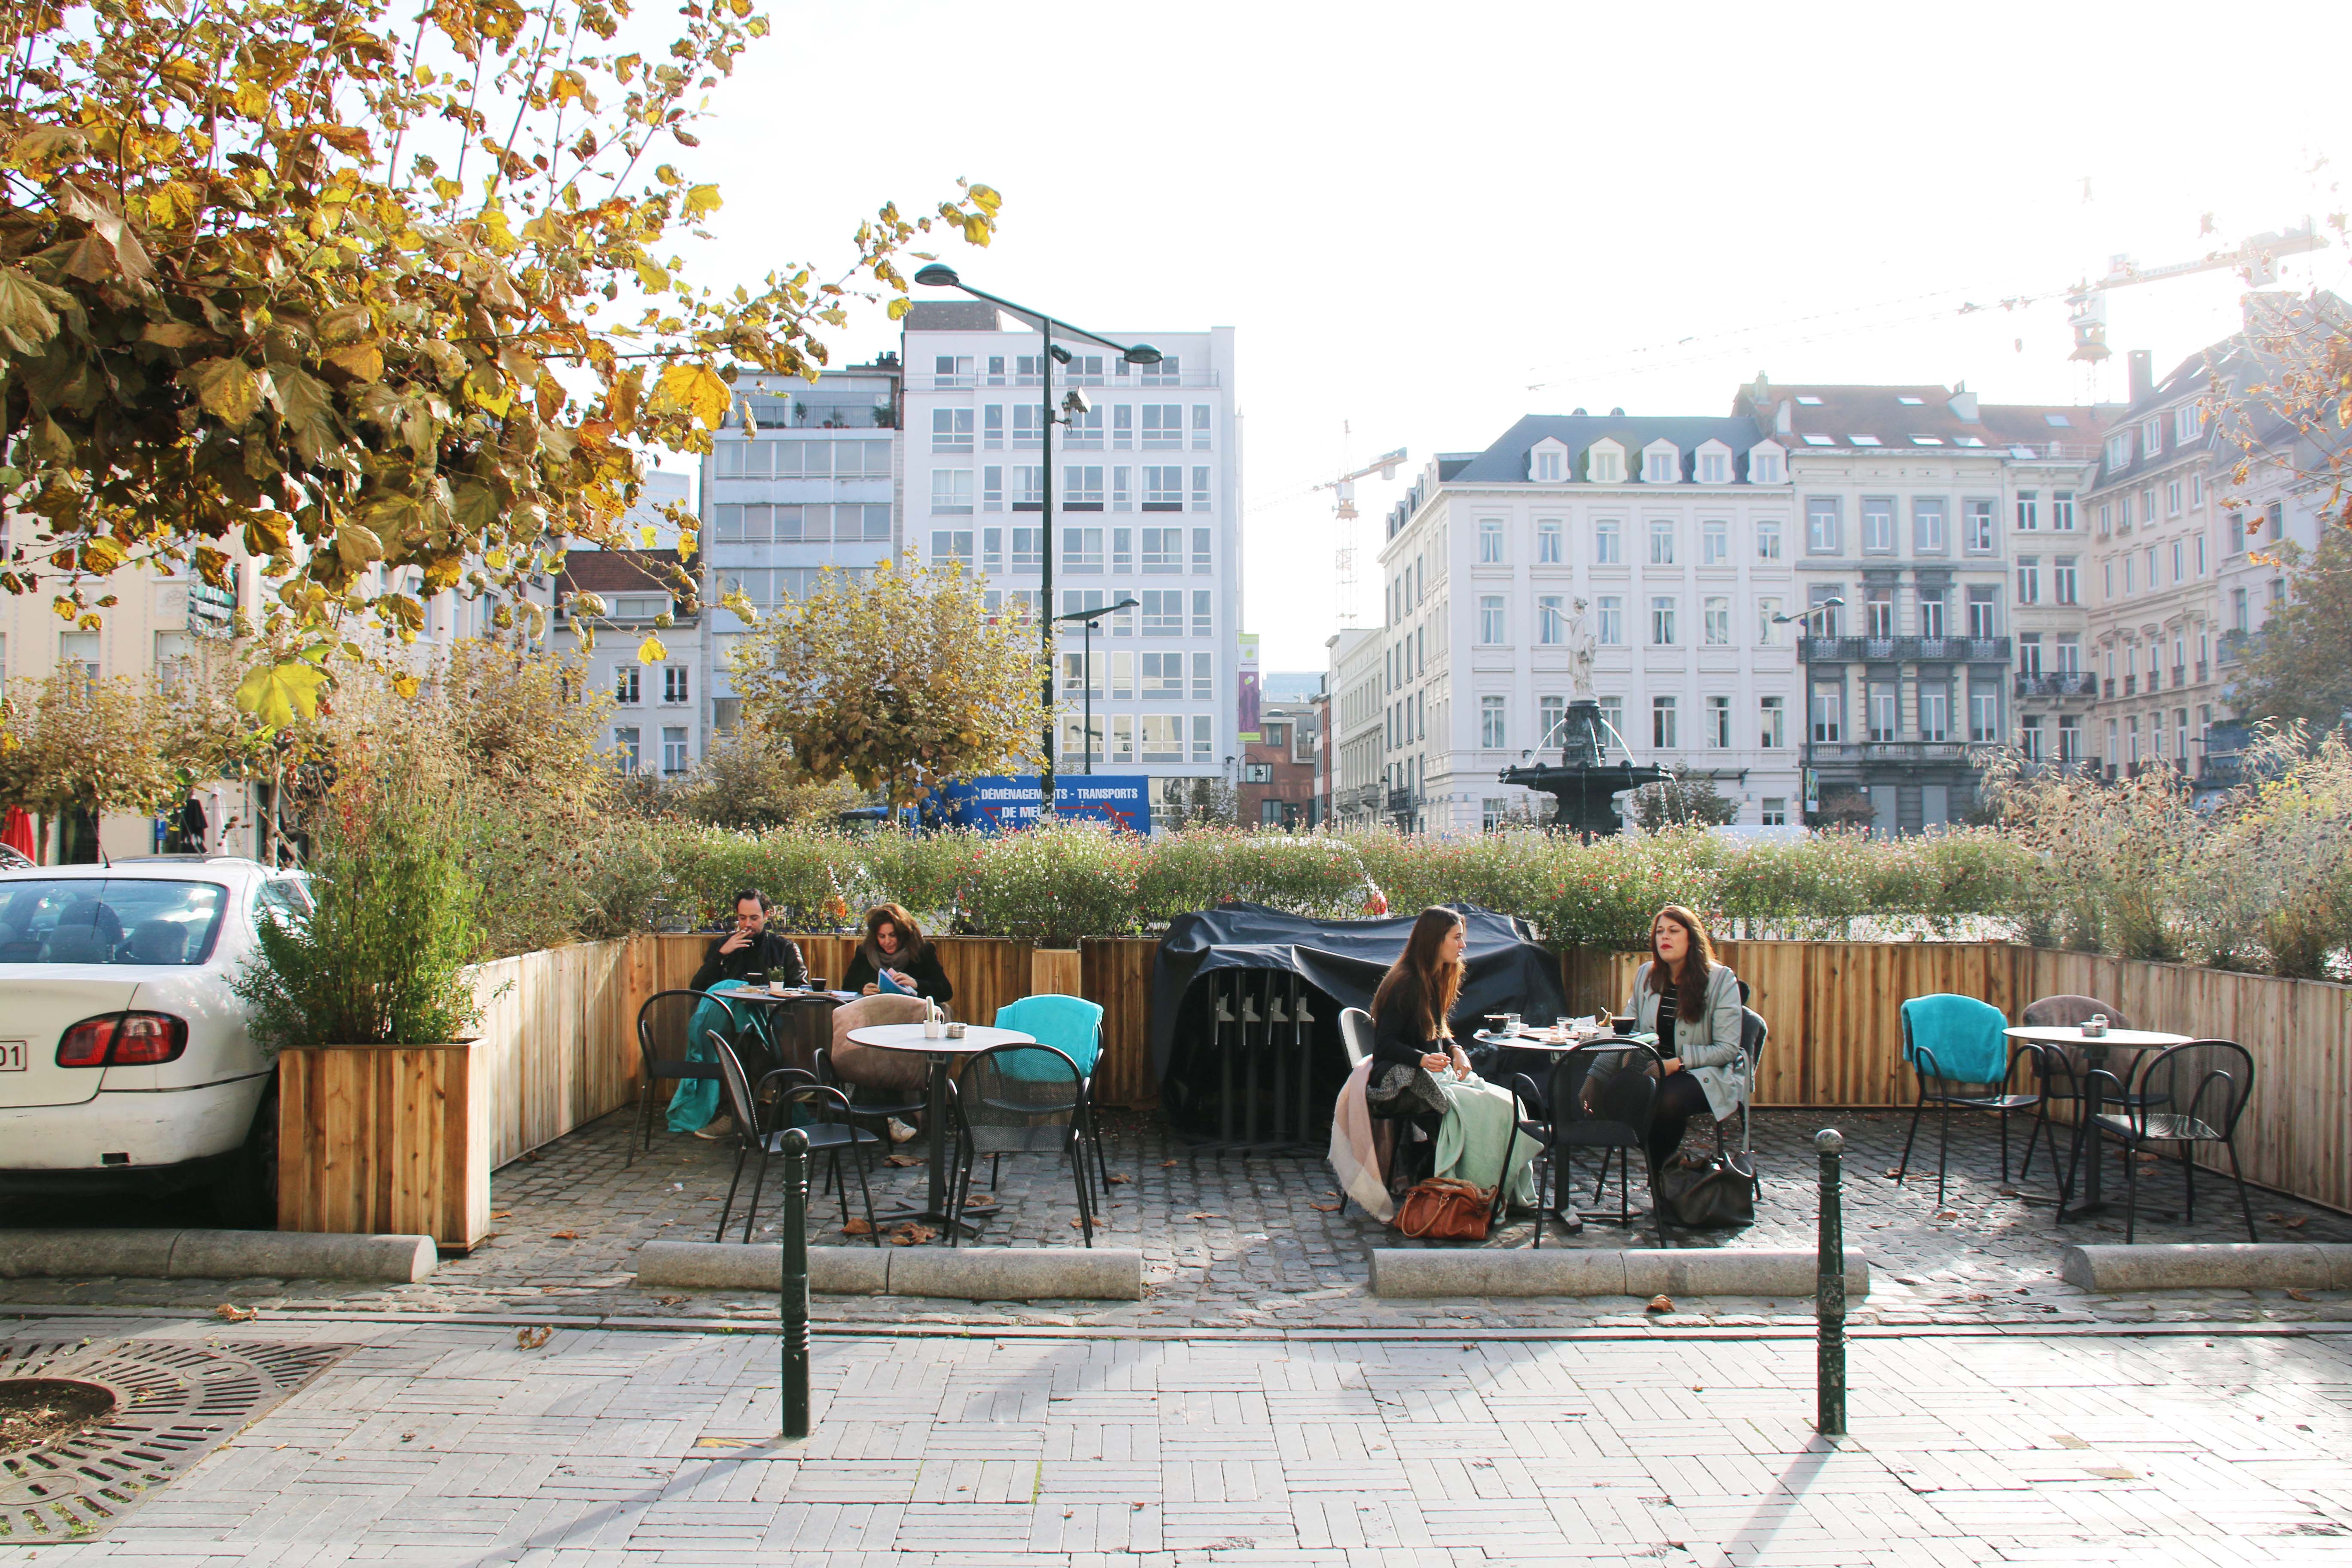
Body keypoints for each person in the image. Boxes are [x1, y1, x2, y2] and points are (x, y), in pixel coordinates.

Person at [1612, 904, 1748, 1172]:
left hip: (1704, 1072)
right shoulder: (1646, 974)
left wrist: (1676, 1065)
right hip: (1654, 1068)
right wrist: (1597, 1076)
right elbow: (1629, 1032)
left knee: (1664, 1100)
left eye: (1674, 931)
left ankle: (1662, 1179)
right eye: (1660, 932)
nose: (1664, 937)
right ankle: (1665, 1179)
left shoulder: (1721, 979)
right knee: (1614, 1090)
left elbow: (1728, 1049)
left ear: (1691, 937)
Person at [690, 889, 808, 994]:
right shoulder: (722, 945)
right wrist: (720, 955)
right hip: (727, 1013)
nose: (748, 924)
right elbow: (697, 989)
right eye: (743, 918)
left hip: (770, 1013)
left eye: (754, 918)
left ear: (766, 915)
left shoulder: (785, 948)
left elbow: (800, 990)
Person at [843, 903, 954, 1008]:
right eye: (882, 936)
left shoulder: (922, 950)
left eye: (893, 935)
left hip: (913, 1017)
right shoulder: (865, 952)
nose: (887, 941)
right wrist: (862, 990)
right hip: (875, 1015)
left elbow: (945, 992)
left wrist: (917, 985)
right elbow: (847, 988)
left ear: (903, 933)